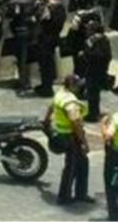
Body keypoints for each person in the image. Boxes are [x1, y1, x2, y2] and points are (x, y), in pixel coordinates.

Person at [45, 74, 93, 206]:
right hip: (71, 137)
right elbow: (76, 124)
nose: (79, 87)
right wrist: (84, 143)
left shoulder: (60, 94)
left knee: (83, 163)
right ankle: (64, 197)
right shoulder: (70, 103)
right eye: (77, 85)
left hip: (63, 134)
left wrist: (46, 122)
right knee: (71, 167)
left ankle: (81, 193)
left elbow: (51, 107)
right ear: (71, 86)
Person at [34, 0, 66, 97]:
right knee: (50, 61)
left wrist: (42, 5)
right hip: (55, 37)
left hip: (46, 38)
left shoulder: (48, 8)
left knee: (45, 63)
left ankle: (46, 87)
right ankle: (47, 84)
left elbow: (39, 17)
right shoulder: (61, 6)